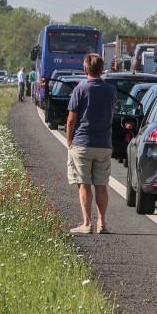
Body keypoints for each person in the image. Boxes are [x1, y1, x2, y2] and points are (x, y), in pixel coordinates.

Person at [65, 53, 116, 234]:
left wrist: (69, 139)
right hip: (104, 144)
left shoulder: (80, 89)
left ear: (85, 69)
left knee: (84, 184)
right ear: (102, 70)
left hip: (83, 143)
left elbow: (71, 119)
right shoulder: (110, 90)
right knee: (101, 185)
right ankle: (102, 223)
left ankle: (87, 224)